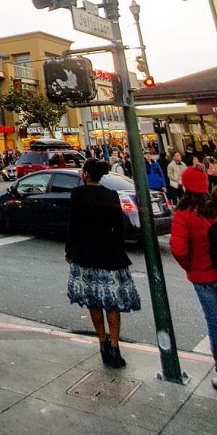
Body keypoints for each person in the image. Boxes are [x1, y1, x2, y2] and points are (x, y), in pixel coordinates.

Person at [65, 157, 141, 369]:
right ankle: (115, 345)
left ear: (86, 174)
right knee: (112, 301)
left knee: (93, 300)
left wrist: (69, 250)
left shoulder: (78, 194)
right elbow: (118, 228)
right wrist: (118, 251)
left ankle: (102, 341)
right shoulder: (111, 194)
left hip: (85, 251)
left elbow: (73, 225)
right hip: (109, 252)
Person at [170, 169, 217, 392]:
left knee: (214, 324)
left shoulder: (183, 214)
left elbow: (178, 249)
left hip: (202, 276)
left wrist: (189, 266)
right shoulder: (215, 209)